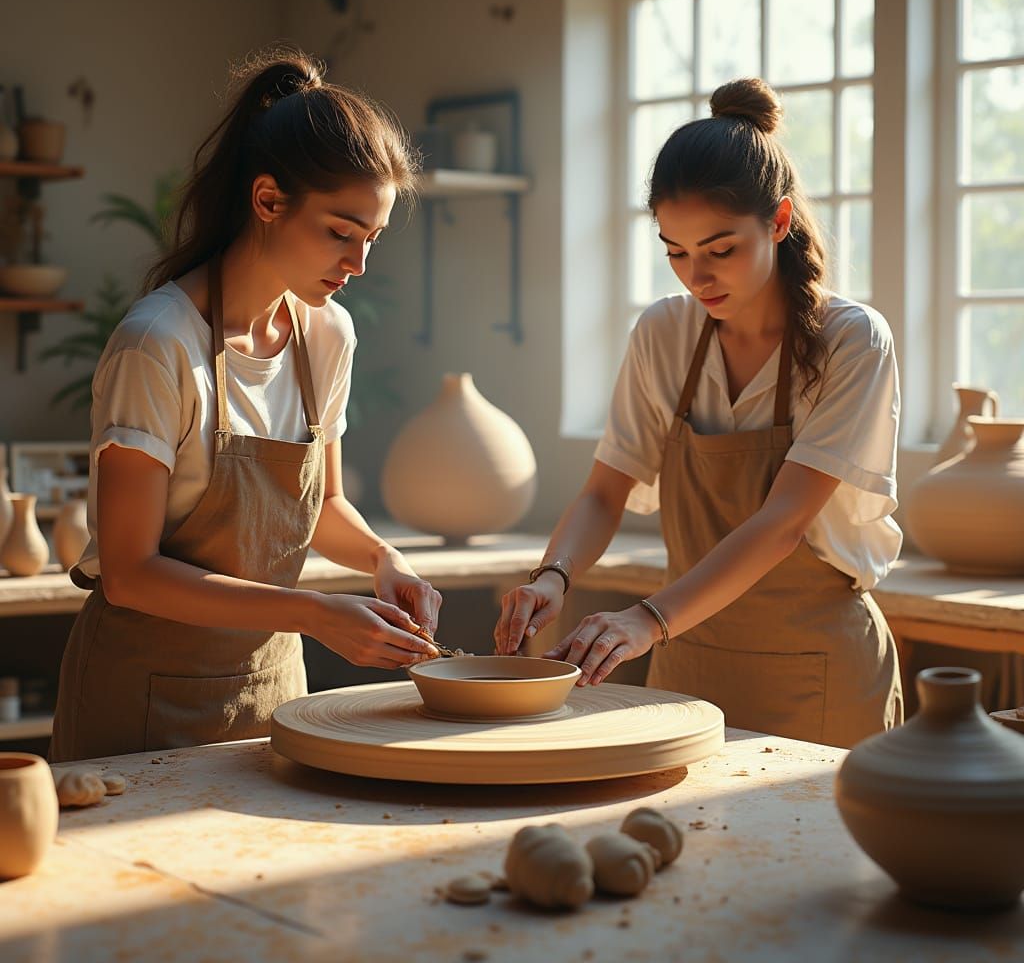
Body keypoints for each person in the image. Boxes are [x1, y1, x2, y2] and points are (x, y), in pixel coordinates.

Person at [51, 48, 443, 762]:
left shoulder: (327, 334)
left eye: (371, 240)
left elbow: (321, 507)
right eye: (340, 232)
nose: (358, 265)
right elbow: (132, 572)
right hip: (138, 702)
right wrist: (315, 612)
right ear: (267, 200)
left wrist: (388, 560)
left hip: (271, 689)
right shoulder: (157, 344)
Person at [495, 78, 903, 749]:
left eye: (721, 250)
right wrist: (554, 574)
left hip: (817, 670)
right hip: (686, 657)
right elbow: (605, 491)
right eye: (676, 252)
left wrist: (648, 618)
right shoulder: (665, 333)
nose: (698, 277)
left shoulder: (850, 340)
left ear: (777, 222)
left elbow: (782, 521)